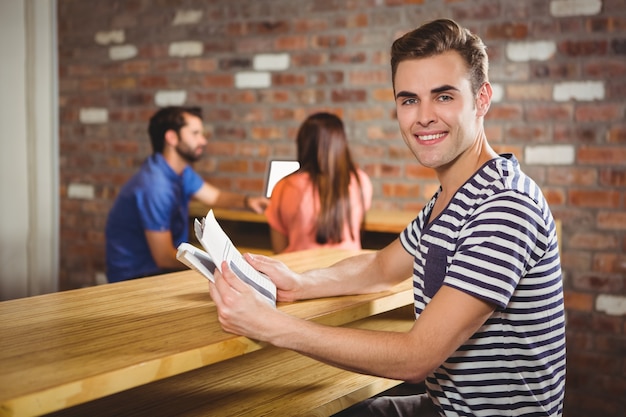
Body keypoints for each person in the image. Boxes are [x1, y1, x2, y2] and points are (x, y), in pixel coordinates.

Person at [209, 18, 565, 417]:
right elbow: (380, 266)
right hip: (446, 406)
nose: (423, 116)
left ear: (482, 99)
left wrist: (270, 326)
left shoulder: (505, 205)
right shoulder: (452, 197)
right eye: (409, 99)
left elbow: (416, 358)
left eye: (444, 97)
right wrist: (299, 284)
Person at [105, 106, 267, 283]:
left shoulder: (181, 172)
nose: (203, 141)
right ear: (172, 138)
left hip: (160, 270)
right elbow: (164, 257)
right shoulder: (155, 186)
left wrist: (248, 201)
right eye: (195, 133)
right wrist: (220, 265)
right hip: (135, 278)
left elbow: (215, 197)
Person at [265, 112, 373, 253]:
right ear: (340, 144)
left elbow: (279, 250)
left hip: (299, 272)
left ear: (303, 144)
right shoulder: (361, 182)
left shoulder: (284, 187)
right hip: (347, 270)